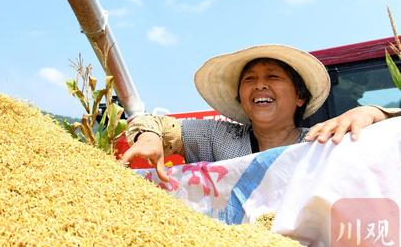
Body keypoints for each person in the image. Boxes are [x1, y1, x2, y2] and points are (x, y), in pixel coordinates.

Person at [120, 44, 400, 182]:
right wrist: (148, 137)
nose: (261, 85)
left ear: (300, 96)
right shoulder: (219, 138)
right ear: (241, 98)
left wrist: (373, 113)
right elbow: (154, 122)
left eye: (273, 77)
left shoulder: (320, 141)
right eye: (249, 79)